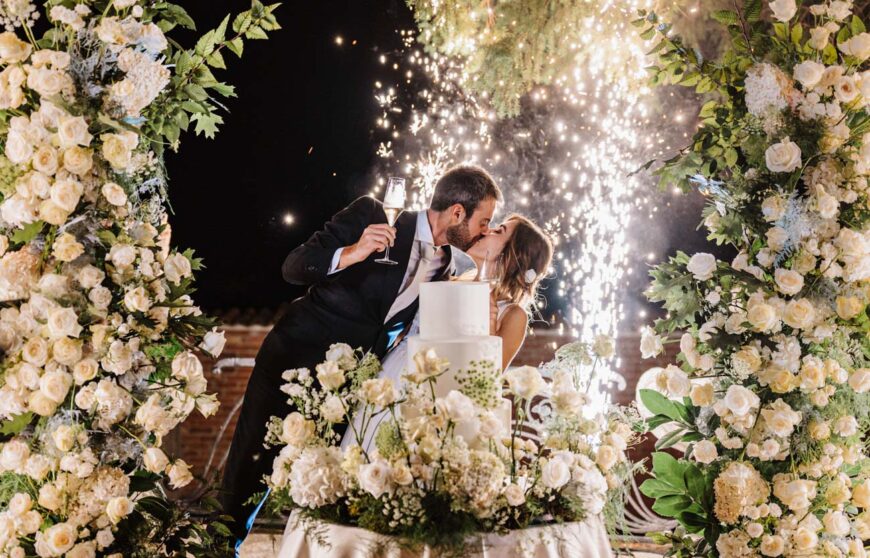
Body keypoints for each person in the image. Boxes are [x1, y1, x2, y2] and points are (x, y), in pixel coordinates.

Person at [221, 165, 502, 544]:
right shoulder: (372, 214)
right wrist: (353, 252)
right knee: (250, 469)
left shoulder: (450, 265)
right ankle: (223, 547)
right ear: (456, 212)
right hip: (295, 359)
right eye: (483, 221)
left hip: (349, 387)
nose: (485, 230)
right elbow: (293, 267)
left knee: (323, 479)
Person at [340, 212, 554, 452]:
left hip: (437, 402)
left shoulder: (513, 315)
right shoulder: (450, 278)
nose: (487, 230)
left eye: (499, 231)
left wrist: (489, 327)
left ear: (515, 254)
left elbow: (486, 384)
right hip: (393, 377)